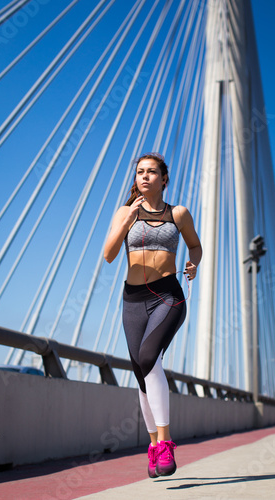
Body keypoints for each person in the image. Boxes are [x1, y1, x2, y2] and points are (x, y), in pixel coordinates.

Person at [104, 152, 202, 478]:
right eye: (140, 172)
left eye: (151, 172)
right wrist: (126, 221)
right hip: (132, 300)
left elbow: (195, 246)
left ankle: (166, 441)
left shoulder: (179, 213)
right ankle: (152, 446)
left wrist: (193, 263)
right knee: (141, 372)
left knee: (149, 357)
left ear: (164, 179)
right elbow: (108, 255)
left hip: (168, 296)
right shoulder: (124, 212)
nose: (144, 176)